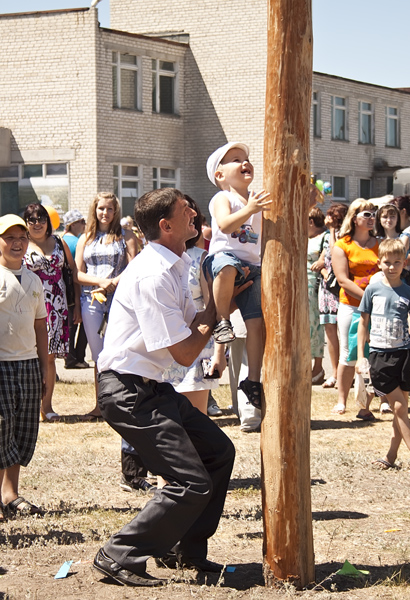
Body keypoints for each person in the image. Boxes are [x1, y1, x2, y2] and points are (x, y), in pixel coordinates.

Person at [93, 188, 235, 587]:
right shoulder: (154, 274)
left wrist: (218, 302)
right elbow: (187, 351)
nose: (194, 214)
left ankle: (182, 551)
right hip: (129, 393)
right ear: (165, 225)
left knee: (219, 452)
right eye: (186, 210)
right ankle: (118, 553)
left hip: (151, 390)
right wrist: (215, 307)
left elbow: (195, 326)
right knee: (190, 482)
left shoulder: (174, 265)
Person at [203, 142, 272, 409]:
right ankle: (222, 321)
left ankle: (253, 380)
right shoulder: (224, 198)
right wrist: (250, 209)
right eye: (234, 160)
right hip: (221, 261)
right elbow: (224, 224)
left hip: (251, 266)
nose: (244, 162)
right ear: (220, 175)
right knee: (229, 265)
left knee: (256, 325)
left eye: (245, 158)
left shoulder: (256, 200)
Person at [356, 239, 410, 474]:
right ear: (379, 263)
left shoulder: (408, 292)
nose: (392, 267)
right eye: (387, 262)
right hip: (379, 355)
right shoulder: (372, 290)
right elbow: (363, 324)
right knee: (398, 406)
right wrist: (360, 357)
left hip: (405, 355)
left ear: (404, 263)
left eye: (397, 262)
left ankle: (391, 455)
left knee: (401, 408)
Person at [0, 215, 48, 519]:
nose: (17, 243)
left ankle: (11, 493)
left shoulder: (34, 280)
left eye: (22, 238)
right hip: (2, 365)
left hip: (28, 363)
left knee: (22, 430)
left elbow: (40, 326)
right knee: (0, 429)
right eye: (9, 238)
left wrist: (43, 368)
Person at [75, 192, 138, 420]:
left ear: (116, 211)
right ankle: (101, 404)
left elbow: (133, 267)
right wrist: (100, 283)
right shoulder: (86, 238)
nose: (105, 213)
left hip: (119, 299)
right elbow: (77, 273)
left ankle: (123, 401)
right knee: (98, 354)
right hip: (91, 299)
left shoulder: (126, 235)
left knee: (120, 350)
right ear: (94, 210)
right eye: (101, 208)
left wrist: (112, 283)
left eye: (110, 209)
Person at [162, 195, 226, 414]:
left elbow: (214, 308)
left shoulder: (202, 259)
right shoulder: (155, 259)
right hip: (166, 350)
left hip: (199, 348)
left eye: (192, 216)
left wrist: (219, 352)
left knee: (197, 419)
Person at [23, 203, 80, 422]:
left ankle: (46, 407)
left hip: (57, 308)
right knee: (28, 357)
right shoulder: (22, 244)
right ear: (26, 223)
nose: (37, 223)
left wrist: (75, 307)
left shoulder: (59, 242)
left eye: (41, 219)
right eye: (32, 220)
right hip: (29, 306)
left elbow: (72, 271)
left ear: (48, 221)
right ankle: (28, 407)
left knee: (49, 359)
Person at [331, 199, 380, 417]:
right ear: (354, 218)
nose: (371, 218)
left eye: (373, 214)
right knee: (348, 354)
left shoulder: (379, 244)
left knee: (373, 353)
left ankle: (367, 404)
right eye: (366, 215)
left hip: (378, 308)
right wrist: (369, 298)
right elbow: (342, 280)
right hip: (350, 307)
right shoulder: (343, 245)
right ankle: (342, 400)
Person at [318, 203, 348, 388]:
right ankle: (335, 372)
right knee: (330, 331)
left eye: (332, 216)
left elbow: (335, 251)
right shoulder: (326, 236)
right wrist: (323, 271)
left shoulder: (344, 236)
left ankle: (345, 374)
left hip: (341, 289)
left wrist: (331, 231)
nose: (329, 219)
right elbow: (323, 258)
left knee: (344, 332)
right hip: (327, 287)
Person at [62, 209, 89, 370]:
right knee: (81, 324)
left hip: (65, 289)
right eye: (81, 222)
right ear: (73, 224)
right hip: (76, 288)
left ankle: (71, 357)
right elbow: (77, 270)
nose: (84, 225)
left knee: (70, 324)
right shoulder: (75, 242)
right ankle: (75, 357)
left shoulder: (63, 239)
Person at [307, 206, 328, 385]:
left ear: (311, 222)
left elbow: (327, 255)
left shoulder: (325, 237)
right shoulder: (307, 238)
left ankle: (318, 366)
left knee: (316, 325)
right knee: (306, 325)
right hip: (302, 285)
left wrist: (321, 261)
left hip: (315, 285)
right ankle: (307, 364)